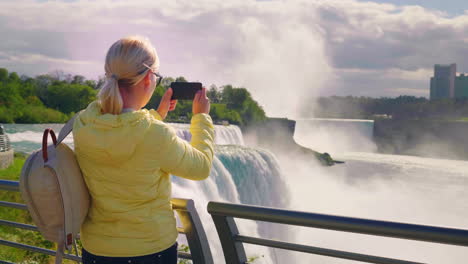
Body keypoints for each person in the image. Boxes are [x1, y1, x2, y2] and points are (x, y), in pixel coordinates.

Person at [72, 36, 214, 264]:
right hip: (150, 251)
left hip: (98, 250)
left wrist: (157, 115)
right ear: (149, 78)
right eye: (157, 76)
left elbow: (122, 134)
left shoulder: (84, 122)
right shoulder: (154, 134)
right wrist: (202, 118)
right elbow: (201, 167)